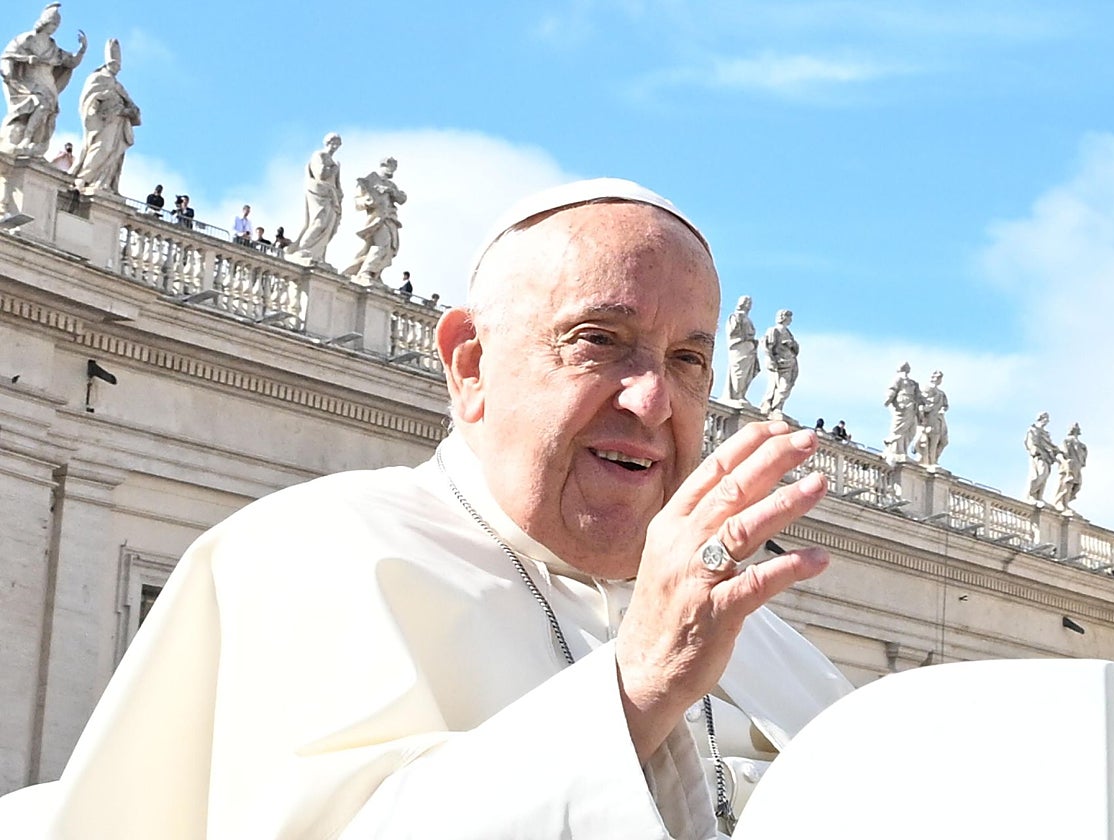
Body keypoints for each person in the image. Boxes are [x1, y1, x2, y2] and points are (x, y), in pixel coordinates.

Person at [0, 178, 851, 838]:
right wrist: (632, 691)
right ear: (470, 364)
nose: (654, 400)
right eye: (600, 341)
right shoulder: (304, 557)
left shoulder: (778, 650)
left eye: (689, 360)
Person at [0, 3, 87, 157]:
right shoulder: (27, 38)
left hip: (47, 82)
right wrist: (27, 59)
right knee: (41, 104)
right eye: (52, 23)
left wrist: (82, 50)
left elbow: (70, 61)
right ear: (44, 22)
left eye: (56, 25)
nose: (54, 27)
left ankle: (34, 141)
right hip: (29, 80)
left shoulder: (53, 46)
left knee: (48, 111)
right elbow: (7, 56)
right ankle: (26, 138)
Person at [69, 38, 140, 194]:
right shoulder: (97, 78)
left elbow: (133, 106)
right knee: (101, 148)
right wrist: (96, 108)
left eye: (118, 67)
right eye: (114, 65)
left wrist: (129, 110)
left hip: (118, 125)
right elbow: (88, 99)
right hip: (103, 123)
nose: (117, 69)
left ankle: (102, 182)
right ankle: (83, 178)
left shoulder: (118, 85)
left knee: (112, 153)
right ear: (108, 64)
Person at [344, 156, 406, 285]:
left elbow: (402, 199)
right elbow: (358, 201)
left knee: (390, 249)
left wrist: (391, 191)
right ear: (384, 165)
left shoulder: (391, 184)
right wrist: (368, 201)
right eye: (392, 168)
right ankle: (366, 272)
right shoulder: (370, 179)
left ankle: (374, 272)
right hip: (377, 219)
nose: (393, 171)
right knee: (382, 244)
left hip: (390, 219)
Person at [290, 132, 342, 264]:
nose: (335, 146)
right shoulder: (319, 155)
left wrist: (339, 194)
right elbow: (321, 174)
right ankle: (304, 249)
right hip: (319, 194)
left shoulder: (335, 162)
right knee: (318, 222)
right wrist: (333, 169)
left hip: (331, 196)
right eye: (333, 142)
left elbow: (337, 183)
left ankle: (317, 255)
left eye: (337, 143)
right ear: (327, 143)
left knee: (328, 227)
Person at [758, 309, 798, 417]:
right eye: (789, 317)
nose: (790, 320)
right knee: (779, 385)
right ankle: (772, 406)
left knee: (786, 386)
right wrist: (770, 359)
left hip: (790, 362)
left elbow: (796, 349)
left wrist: (792, 344)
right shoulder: (774, 330)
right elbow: (767, 346)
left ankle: (778, 407)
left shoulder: (789, 333)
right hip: (779, 362)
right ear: (784, 317)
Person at [882, 361, 922, 467]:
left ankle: (902, 450)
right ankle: (897, 450)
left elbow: (919, 397)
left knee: (911, 430)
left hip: (911, 407)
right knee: (899, 428)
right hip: (902, 406)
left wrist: (921, 409)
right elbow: (892, 389)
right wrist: (888, 399)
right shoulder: (898, 379)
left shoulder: (913, 383)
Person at [724, 295, 758, 404]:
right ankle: (736, 395)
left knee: (747, 373)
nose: (748, 305)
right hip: (739, 347)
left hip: (749, 350)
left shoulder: (748, 319)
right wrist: (739, 320)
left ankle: (741, 394)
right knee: (738, 371)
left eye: (750, 303)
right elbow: (732, 332)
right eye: (746, 302)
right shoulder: (735, 316)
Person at [913, 370, 949, 468]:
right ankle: (930, 461)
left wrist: (942, 409)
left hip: (938, 419)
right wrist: (923, 410)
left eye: (940, 378)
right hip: (929, 418)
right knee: (930, 439)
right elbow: (921, 401)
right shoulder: (926, 388)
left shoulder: (941, 393)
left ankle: (933, 460)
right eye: (937, 377)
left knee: (943, 441)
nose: (938, 380)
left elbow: (945, 405)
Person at [1024, 412, 1059, 503]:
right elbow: (1030, 442)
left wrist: (1058, 451)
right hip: (1038, 455)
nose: (1047, 421)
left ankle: (1039, 497)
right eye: (1046, 418)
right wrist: (1034, 450)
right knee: (1040, 474)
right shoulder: (1033, 429)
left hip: (1047, 457)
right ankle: (1031, 494)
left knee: (1045, 475)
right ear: (1041, 418)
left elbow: (1050, 445)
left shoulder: (1045, 433)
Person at [1052, 422, 1087, 513]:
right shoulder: (1067, 441)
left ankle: (1065, 503)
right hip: (1068, 465)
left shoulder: (1082, 446)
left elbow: (1083, 459)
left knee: (1076, 486)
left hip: (1077, 467)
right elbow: (1061, 453)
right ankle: (1060, 502)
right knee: (1066, 484)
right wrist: (1065, 462)